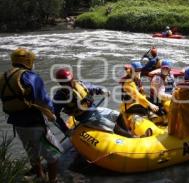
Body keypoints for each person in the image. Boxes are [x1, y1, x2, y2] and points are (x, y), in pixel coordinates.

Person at [0, 48, 62, 183]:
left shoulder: (3, 77)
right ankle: (53, 180)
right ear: (28, 61)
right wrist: (52, 113)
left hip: (17, 124)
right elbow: (44, 100)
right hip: (35, 123)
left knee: (32, 152)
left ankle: (40, 176)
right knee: (55, 155)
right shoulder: (31, 77)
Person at [52, 68, 132, 137]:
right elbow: (55, 114)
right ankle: (133, 139)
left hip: (95, 110)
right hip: (86, 118)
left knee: (119, 115)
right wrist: (65, 130)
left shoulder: (80, 84)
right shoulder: (60, 96)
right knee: (114, 127)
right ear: (61, 83)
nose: (69, 83)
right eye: (66, 82)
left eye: (70, 80)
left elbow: (92, 88)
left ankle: (128, 133)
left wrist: (101, 91)